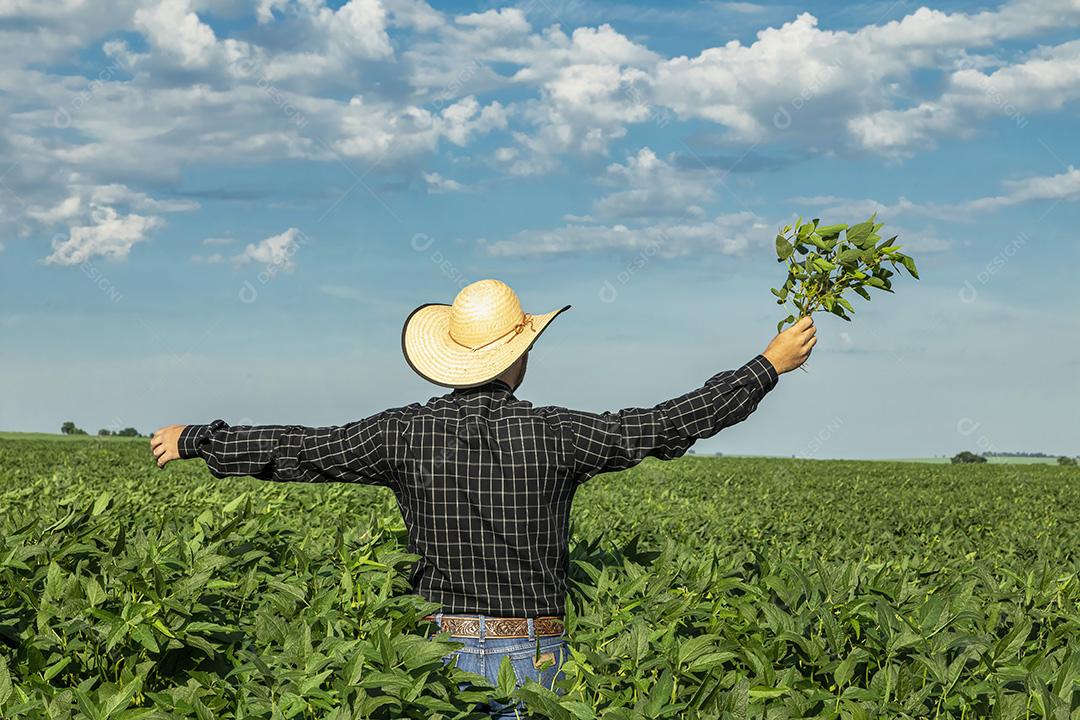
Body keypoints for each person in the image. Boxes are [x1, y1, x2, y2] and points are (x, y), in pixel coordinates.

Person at [151, 278, 816, 718]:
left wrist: (201, 440)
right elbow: (665, 424)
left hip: (433, 654)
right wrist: (766, 366)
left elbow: (302, 448)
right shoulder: (559, 433)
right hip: (535, 653)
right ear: (519, 357)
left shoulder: (402, 433)